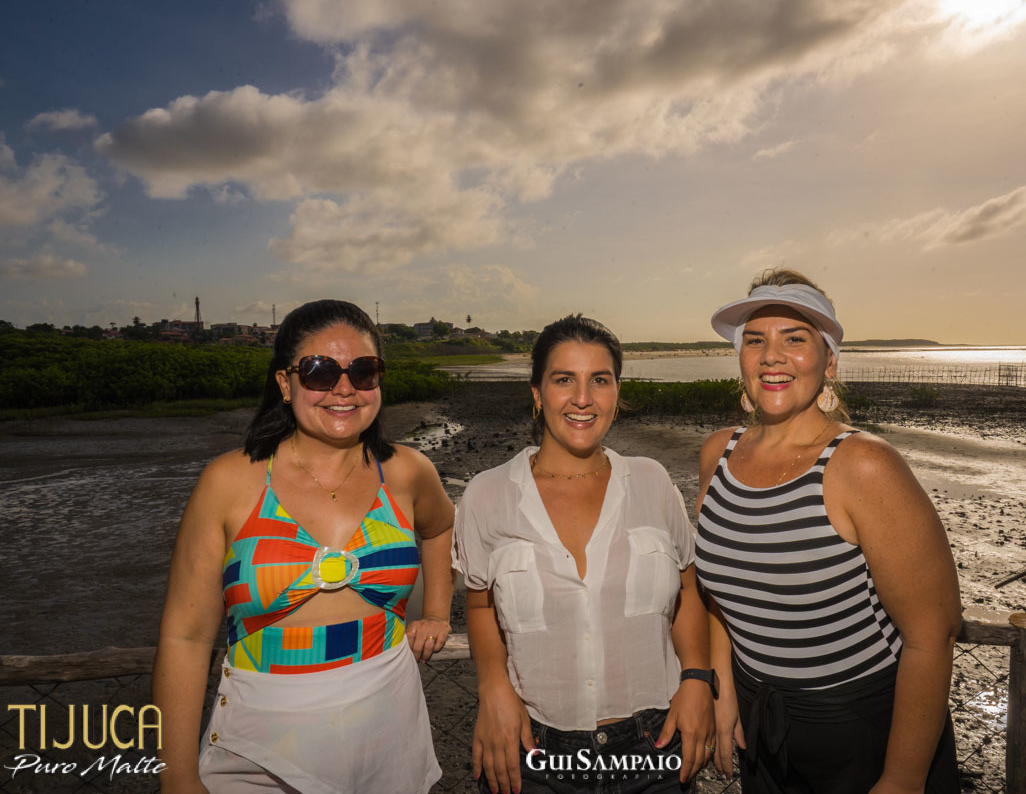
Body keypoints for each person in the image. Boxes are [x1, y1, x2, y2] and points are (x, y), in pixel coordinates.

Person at [154, 300, 454, 794]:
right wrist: (178, 777)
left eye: (363, 370)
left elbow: (441, 528)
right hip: (260, 749)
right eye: (319, 371)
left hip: (388, 728)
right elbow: (185, 638)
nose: (344, 388)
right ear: (285, 382)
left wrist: (438, 612)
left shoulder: (405, 471)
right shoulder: (230, 482)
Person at [697, 270, 961, 794]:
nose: (771, 355)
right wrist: (723, 688)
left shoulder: (862, 464)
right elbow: (720, 594)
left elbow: (934, 632)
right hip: (761, 723)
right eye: (756, 340)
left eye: (794, 339)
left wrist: (903, 779)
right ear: (741, 359)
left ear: (829, 361)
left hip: (861, 729)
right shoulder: (717, 454)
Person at [453, 314, 715, 794]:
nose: (582, 398)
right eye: (563, 380)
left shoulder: (652, 482)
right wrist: (492, 688)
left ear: (617, 391)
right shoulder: (487, 494)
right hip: (535, 749)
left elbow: (689, 589)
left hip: (655, 746)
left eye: (600, 379)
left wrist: (698, 678)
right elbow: (479, 603)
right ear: (537, 393)